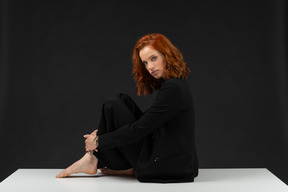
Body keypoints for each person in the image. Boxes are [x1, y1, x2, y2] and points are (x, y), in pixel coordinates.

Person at [56, 33, 198, 183]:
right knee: (121, 101)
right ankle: (93, 159)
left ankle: (93, 158)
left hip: (167, 166)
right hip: (177, 163)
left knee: (112, 104)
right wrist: (104, 136)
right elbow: (147, 122)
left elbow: (140, 128)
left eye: (153, 58)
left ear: (166, 55)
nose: (150, 67)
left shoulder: (173, 88)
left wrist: (99, 141)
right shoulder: (175, 85)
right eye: (145, 63)